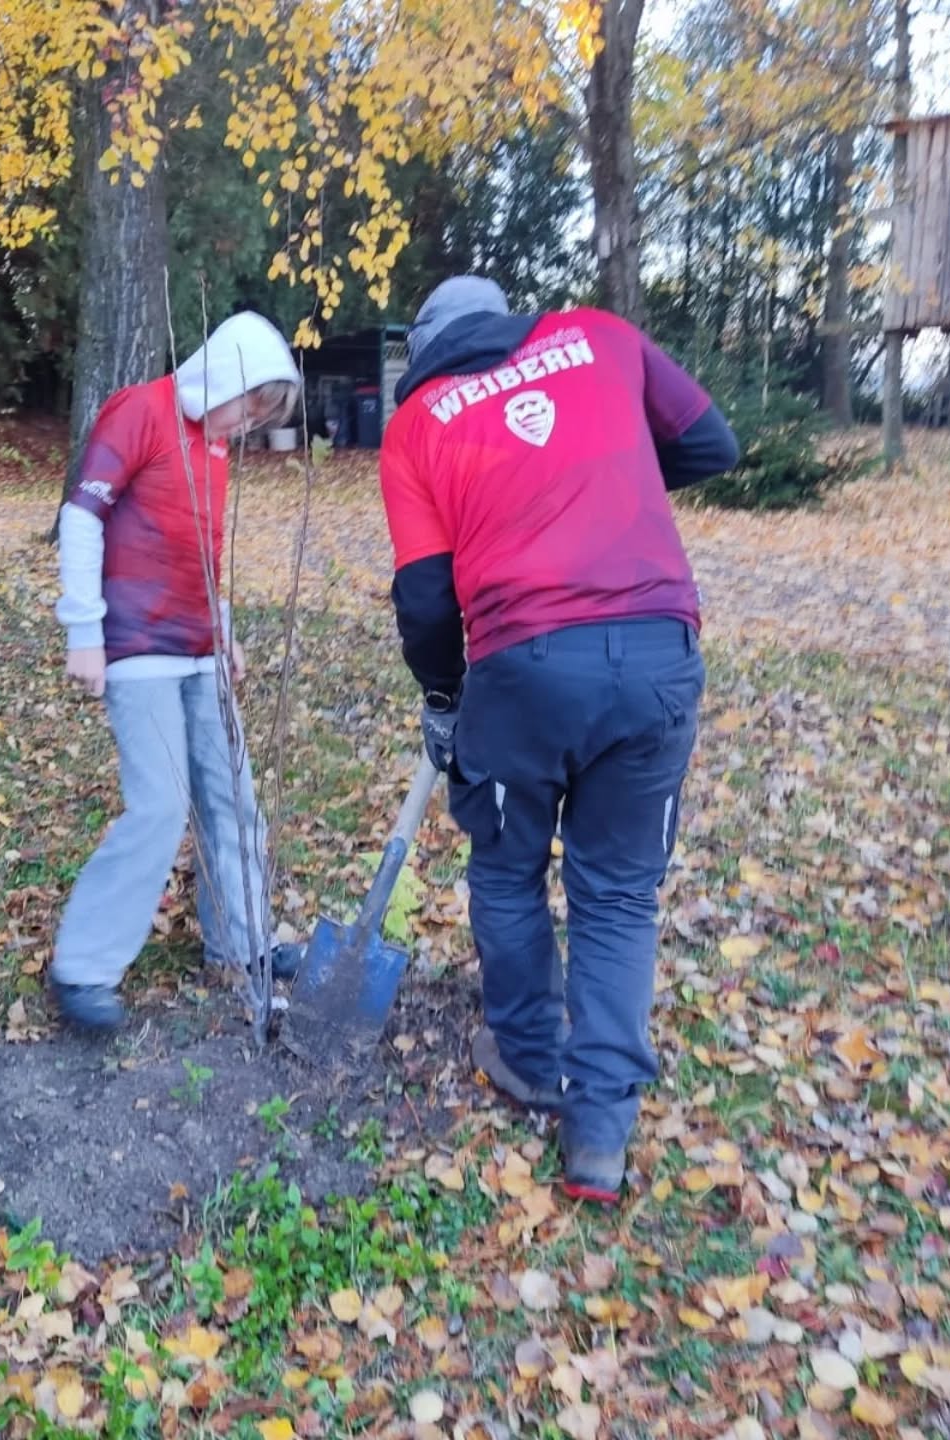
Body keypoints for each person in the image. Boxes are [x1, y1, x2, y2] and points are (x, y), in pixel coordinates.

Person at [378, 276, 739, 1203]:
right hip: (658, 651)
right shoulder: (601, 334)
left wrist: (445, 697)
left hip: (521, 669)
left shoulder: (419, 419)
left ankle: (532, 1061)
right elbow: (710, 443)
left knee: (505, 868)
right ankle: (600, 1138)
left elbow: (424, 598)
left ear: (423, 347)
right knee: (619, 895)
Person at [50, 312, 303, 1030]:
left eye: (259, 418)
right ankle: (84, 970)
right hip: (136, 645)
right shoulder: (141, 410)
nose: (245, 426)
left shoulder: (213, 449)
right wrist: (83, 630)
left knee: (232, 798)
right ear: (222, 377)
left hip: (198, 648)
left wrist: (225, 633)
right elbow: (82, 517)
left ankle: (242, 940)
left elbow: (202, 551)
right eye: (246, 407)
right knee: (160, 805)